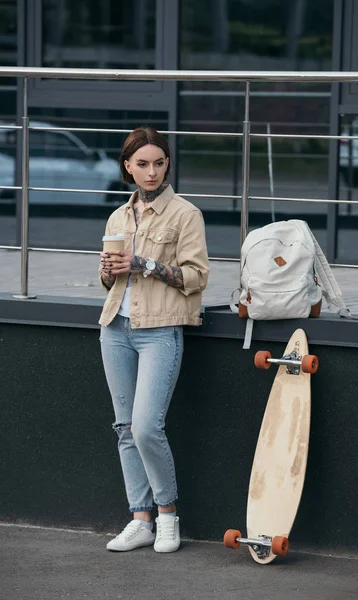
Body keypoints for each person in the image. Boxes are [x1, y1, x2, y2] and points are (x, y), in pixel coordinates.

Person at [98, 127, 209, 554]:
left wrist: (144, 262)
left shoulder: (185, 214)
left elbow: (197, 277)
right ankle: (139, 519)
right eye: (141, 164)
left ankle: (167, 515)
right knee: (125, 428)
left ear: (167, 164)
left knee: (146, 427)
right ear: (127, 166)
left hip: (160, 330)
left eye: (158, 163)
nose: (151, 171)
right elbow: (107, 281)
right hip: (115, 328)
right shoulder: (119, 216)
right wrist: (109, 269)